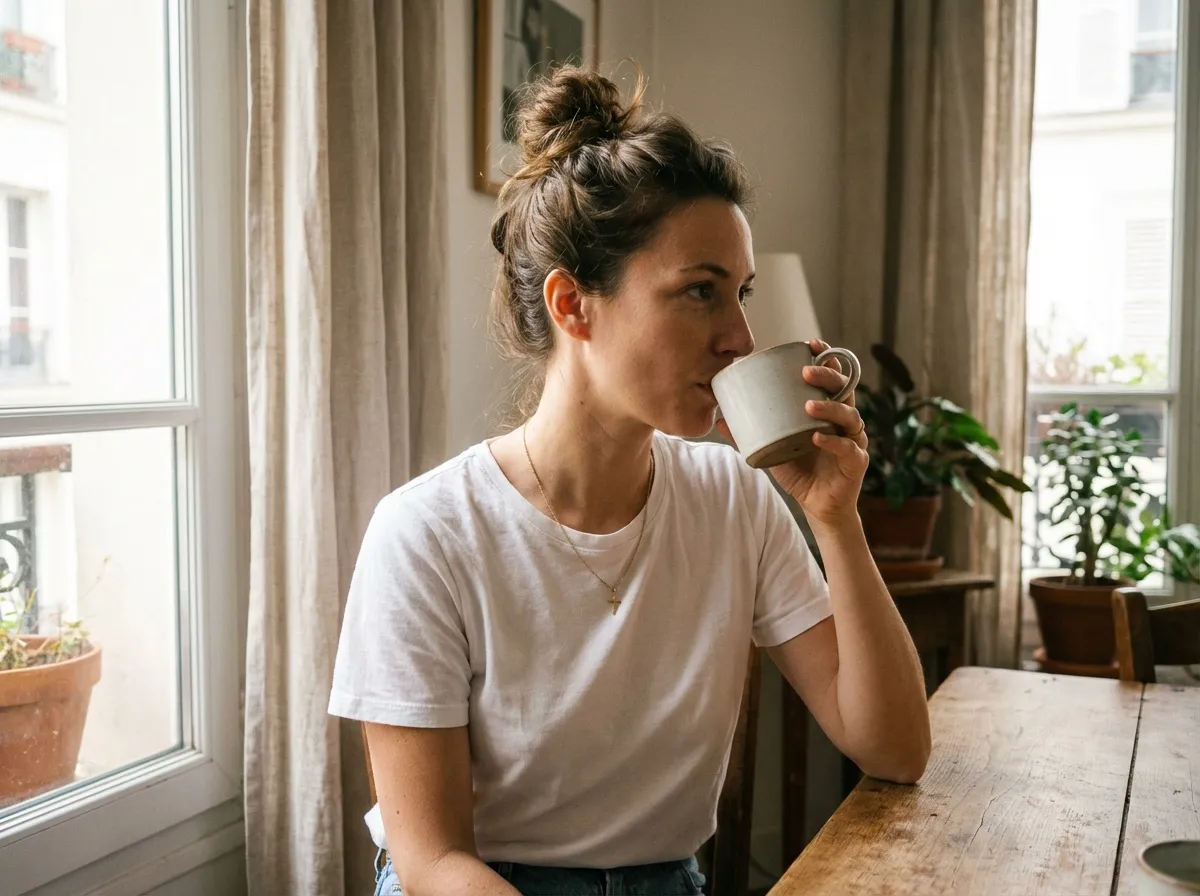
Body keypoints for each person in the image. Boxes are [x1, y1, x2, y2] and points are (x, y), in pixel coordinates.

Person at [329, 65, 931, 896]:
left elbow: (895, 749)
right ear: (574, 305)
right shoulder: (427, 533)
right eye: (700, 293)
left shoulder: (736, 499)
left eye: (742, 294)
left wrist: (836, 518)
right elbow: (433, 859)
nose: (741, 337)